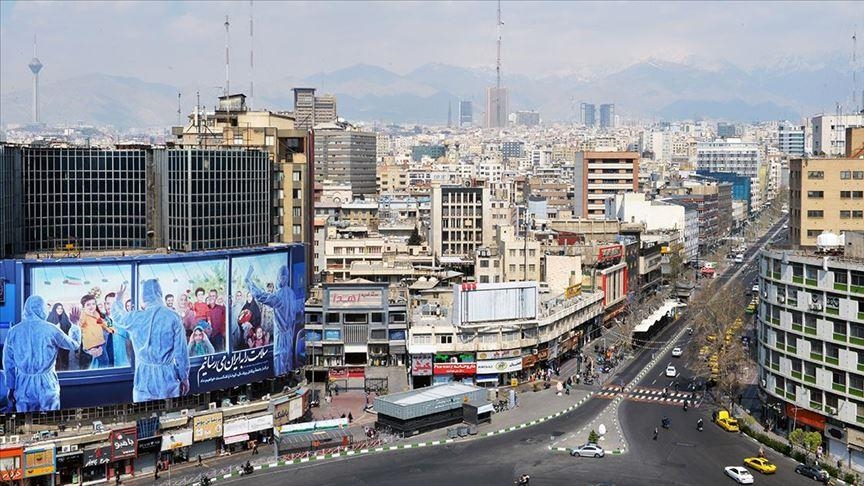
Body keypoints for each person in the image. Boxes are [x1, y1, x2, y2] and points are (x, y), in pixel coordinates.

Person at [111, 280, 191, 402]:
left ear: (143, 297)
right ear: (160, 293)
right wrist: (184, 377)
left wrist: (118, 299)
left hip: (144, 376)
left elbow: (117, 316)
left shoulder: (135, 317)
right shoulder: (173, 317)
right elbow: (181, 353)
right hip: (168, 376)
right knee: (168, 413)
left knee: (145, 413)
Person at [3, 295, 82, 412]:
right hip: (47, 385)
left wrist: (11, 387)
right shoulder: (51, 329)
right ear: (43, 309)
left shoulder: (13, 332)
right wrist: (75, 324)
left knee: (26, 423)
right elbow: (74, 344)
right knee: (49, 422)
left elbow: (8, 364)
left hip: (23, 385)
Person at [245, 264, 298, 375]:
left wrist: (249, 282)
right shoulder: (292, 294)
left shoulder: (279, 296)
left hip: (281, 337)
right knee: (288, 361)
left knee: (279, 362)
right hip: (289, 336)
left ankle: (282, 382)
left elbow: (261, 296)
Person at [79, 294, 114, 368]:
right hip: (92, 344)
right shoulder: (84, 315)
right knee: (104, 361)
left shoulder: (97, 315)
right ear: (83, 307)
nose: (91, 306)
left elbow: (102, 324)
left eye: (93, 304)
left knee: (105, 360)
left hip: (101, 342)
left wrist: (110, 329)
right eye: (88, 305)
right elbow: (81, 324)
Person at [46, 303, 73, 371]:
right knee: (56, 360)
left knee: (65, 359)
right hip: (55, 344)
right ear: (55, 309)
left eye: (61, 308)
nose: (60, 310)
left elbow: (69, 326)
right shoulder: (50, 319)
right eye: (58, 308)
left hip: (64, 342)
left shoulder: (65, 317)